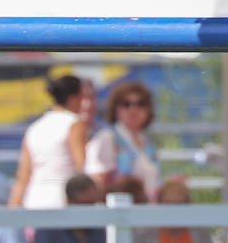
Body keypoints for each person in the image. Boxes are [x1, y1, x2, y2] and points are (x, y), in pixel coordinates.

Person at [9, 74, 89, 209]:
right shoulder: (75, 124)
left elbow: (23, 178)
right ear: (74, 98)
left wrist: (12, 211)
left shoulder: (34, 129)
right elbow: (83, 167)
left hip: (34, 201)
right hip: (65, 201)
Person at [84, 80, 162, 201]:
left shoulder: (148, 143)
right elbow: (97, 181)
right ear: (115, 108)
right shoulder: (107, 138)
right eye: (126, 104)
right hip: (117, 212)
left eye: (140, 104)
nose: (133, 109)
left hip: (146, 213)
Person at [33, 174, 105, 243]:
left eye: (92, 204)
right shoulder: (47, 230)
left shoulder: (101, 230)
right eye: (83, 204)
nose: (89, 210)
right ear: (69, 202)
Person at [154, 178, 212, 243]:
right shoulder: (147, 234)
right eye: (168, 204)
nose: (173, 211)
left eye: (178, 205)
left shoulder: (201, 233)